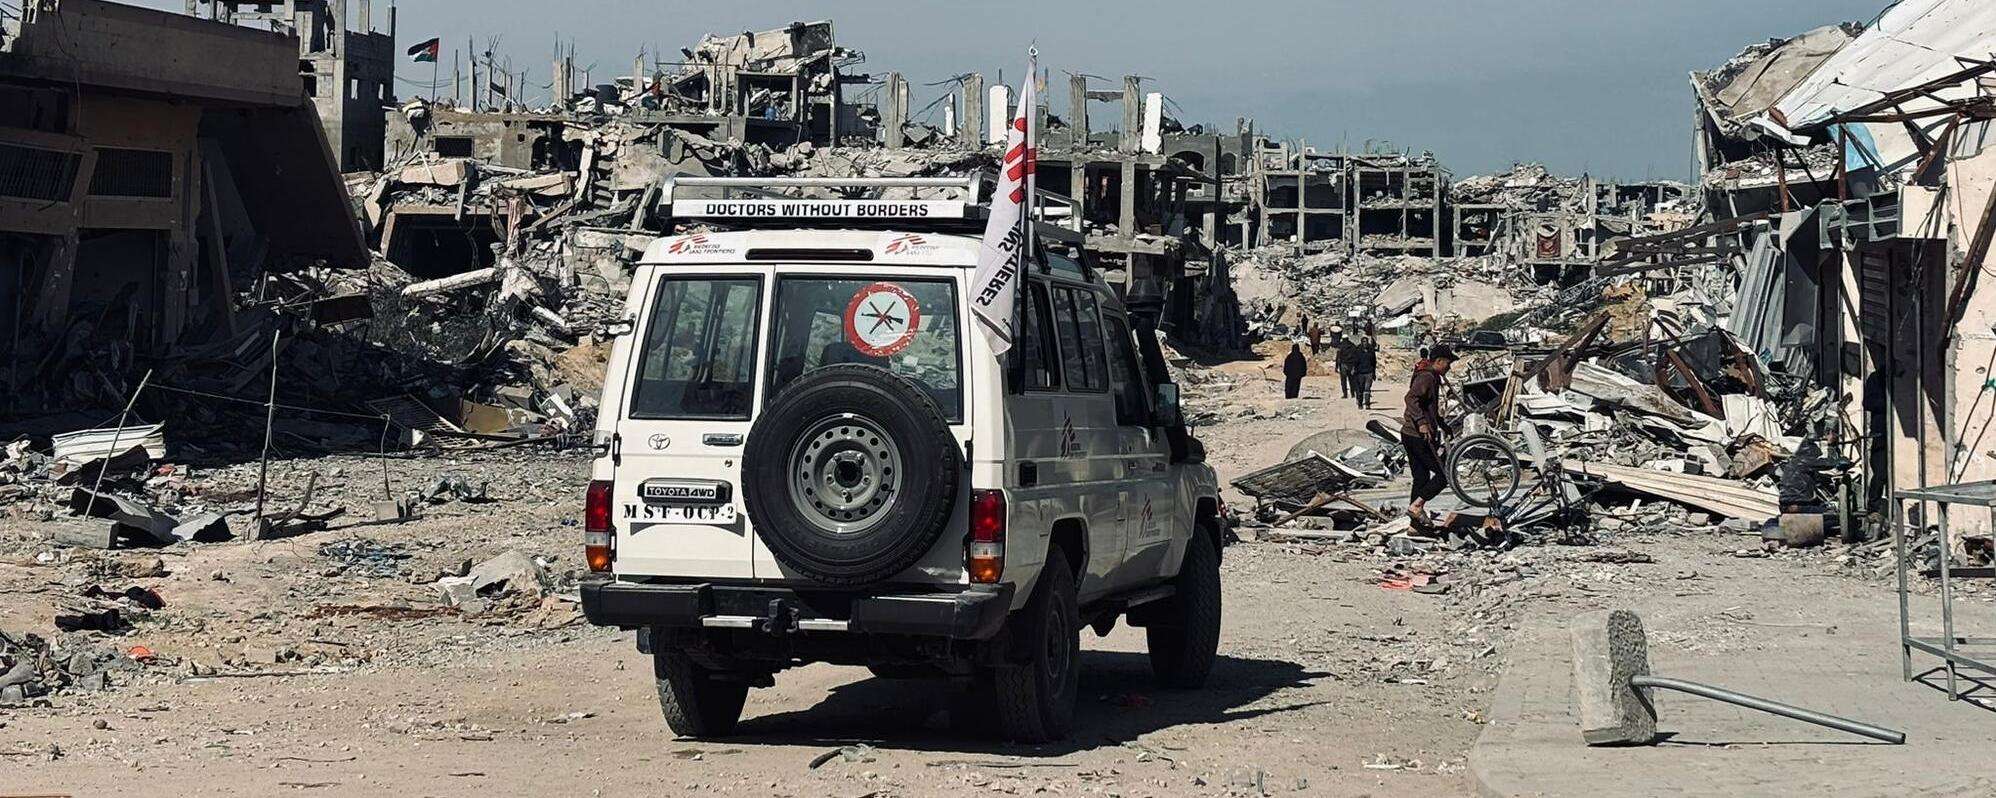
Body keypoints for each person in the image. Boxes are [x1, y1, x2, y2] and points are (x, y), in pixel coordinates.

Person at [1402, 345, 1457, 529]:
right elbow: (1411, 399)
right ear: (1439, 361)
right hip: (1417, 436)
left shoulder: (1430, 376)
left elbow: (1428, 407)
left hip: (1410, 434)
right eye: (1448, 363)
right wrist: (1422, 423)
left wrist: (1441, 424)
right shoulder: (1427, 376)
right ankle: (1417, 506)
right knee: (1444, 475)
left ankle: (1414, 524)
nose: (1449, 367)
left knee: (1421, 478)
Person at [1351, 335, 1378, 409]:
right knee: (1360, 389)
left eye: (1366, 341)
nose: (1365, 343)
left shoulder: (1371, 350)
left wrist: (1374, 373)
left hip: (1369, 372)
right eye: (1363, 342)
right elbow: (1355, 361)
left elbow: (1374, 362)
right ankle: (1360, 403)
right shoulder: (1358, 350)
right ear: (1361, 342)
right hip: (1360, 373)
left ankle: (1367, 404)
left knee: (1367, 389)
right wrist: (1354, 369)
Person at [1333, 331, 1356, 399]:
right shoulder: (1352, 345)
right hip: (1351, 364)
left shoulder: (1340, 346)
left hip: (1343, 364)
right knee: (1351, 380)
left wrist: (1336, 366)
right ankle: (1352, 393)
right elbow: (1355, 355)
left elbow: (1338, 357)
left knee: (1343, 380)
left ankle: (1345, 394)